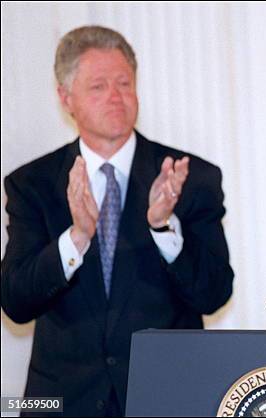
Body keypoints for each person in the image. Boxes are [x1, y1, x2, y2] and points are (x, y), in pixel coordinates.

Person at [1, 26, 234, 416]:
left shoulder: (189, 178)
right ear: (66, 98)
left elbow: (214, 294)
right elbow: (16, 302)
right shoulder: (33, 185)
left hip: (168, 399)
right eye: (98, 86)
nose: (115, 96)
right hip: (60, 404)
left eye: (124, 83)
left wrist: (164, 228)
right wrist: (76, 238)